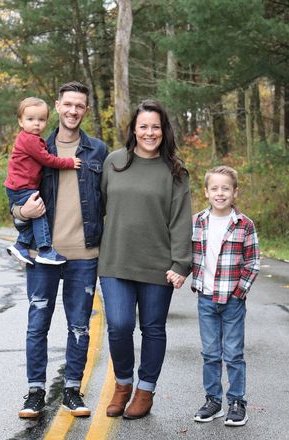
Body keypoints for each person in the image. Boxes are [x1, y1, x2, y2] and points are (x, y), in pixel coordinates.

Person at [11, 82, 108, 419]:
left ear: (85, 110)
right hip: (43, 255)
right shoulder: (36, 143)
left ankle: (72, 391)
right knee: (38, 324)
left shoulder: (98, 151)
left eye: (79, 105)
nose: (73, 111)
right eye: (68, 104)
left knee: (79, 326)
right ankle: (35, 392)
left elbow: (110, 201)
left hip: (84, 255)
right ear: (58, 106)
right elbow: (17, 192)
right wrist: (22, 214)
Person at [98, 100, 192, 419]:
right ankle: (123, 383)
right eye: (143, 126)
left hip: (158, 265)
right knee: (120, 326)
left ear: (163, 131)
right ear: (134, 129)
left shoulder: (175, 172)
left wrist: (181, 264)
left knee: (153, 329)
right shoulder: (114, 162)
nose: (149, 132)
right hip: (115, 261)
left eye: (155, 127)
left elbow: (181, 221)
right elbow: (96, 208)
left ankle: (145, 390)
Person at [190, 165, 260, 427]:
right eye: (215, 188)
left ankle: (237, 401)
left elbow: (252, 263)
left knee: (233, 353)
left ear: (235, 192)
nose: (220, 193)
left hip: (232, 301)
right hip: (206, 299)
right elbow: (188, 256)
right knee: (209, 352)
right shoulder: (198, 221)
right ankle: (213, 400)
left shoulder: (244, 225)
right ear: (206, 192)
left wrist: (239, 294)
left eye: (226, 188)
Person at [4, 97, 82, 266]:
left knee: (34, 214)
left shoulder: (30, 138)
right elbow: (48, 160)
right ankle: (45, 250)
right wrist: (69, 162)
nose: (37, 124)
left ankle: (21, 244)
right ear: (20, 121)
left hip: (18, 186)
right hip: (22, 187)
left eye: (41, 120)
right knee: (39, 213)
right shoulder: (30, 140)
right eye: (30, 119)